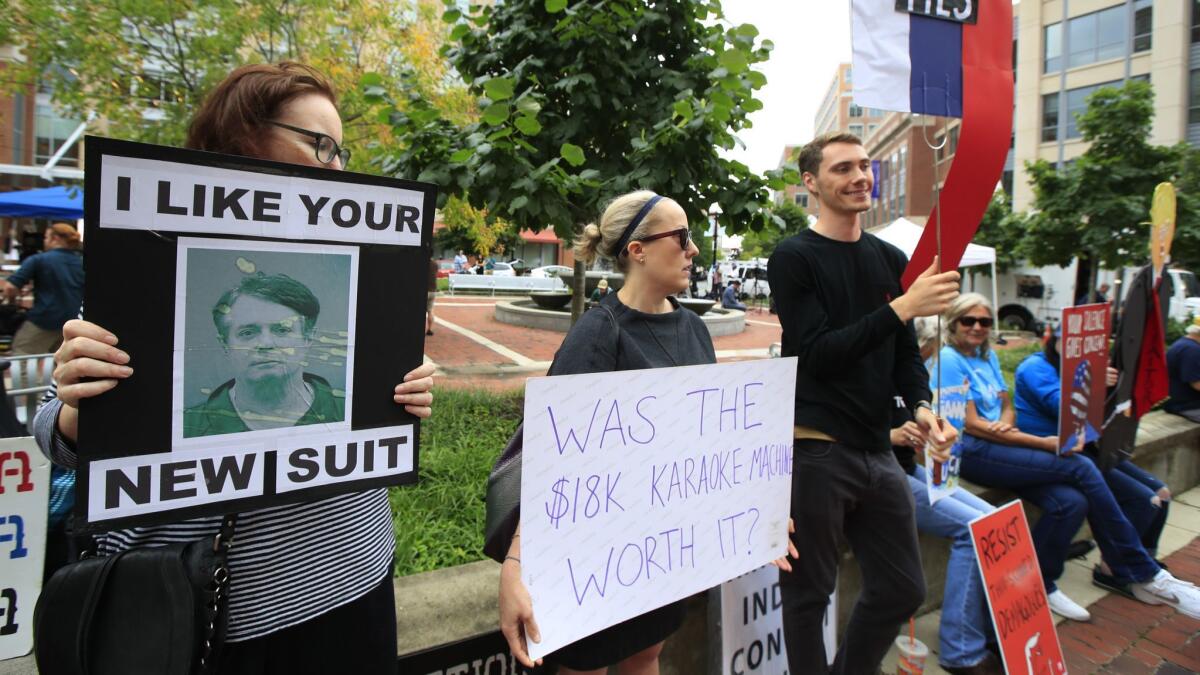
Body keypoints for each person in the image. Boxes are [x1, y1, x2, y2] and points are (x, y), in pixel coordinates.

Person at [34, 62, 435, 672]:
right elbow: (55, 433)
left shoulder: (370, 264)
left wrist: (405, 393)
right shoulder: (148, 254)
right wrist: (77, 410)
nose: (336, 167)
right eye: (319, 144)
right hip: (200, 609)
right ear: (241, 138)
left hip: (352, 582)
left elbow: (383, 406)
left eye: (340, 150)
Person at [498, 190, 723, 675]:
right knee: (588, 666)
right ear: (637, 250)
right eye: (682, 237)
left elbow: (713, 442)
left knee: (648, 653)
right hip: (596, 556)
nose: (694, 249)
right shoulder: (598, 334)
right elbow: (551, 454)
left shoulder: (695, 329)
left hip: (661, 549)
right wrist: (517, 564)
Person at [767, 131, 960, 674]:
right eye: (843, 168)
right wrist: (901, 307)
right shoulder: (794, 257)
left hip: (880, 451)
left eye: (865, 166)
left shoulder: (889, 257)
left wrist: (921, 407)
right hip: (817, 451)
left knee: (902, 588)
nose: (860, 177)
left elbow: (904, 355)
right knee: (807, 597)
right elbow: (815, 353)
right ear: (811, 183)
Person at [944, 293, 1200, 623]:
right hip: (973, 452)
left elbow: (1005, 407)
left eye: (985, 321)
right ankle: (1141, 571)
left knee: (1071, 502)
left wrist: (1007, 426)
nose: (977, 327)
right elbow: (973, 426)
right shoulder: (951, 359)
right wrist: (1043, 442)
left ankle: (1040, 583)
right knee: (1081, 466)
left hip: (1004, 443)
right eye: (969, 321)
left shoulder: (986, 356)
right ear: (953, 323)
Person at [1015, 327, 1172, 597]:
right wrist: (1096, 382)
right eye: (1069, 342)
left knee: (1162, 494)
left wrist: (1111, 385)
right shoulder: (1035, 367)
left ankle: (1144, 564)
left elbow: (1105, 413)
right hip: (1052, 447)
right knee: (1143, 501)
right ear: (1055, 341)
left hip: (1086, 445)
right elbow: (1061, 406)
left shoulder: (1085, 368)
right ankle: (1112, 570)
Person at [891, 317, 1000, 675]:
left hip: (908, 468)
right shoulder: (874, 368)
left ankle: (991, 627)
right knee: (973, 529)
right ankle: (960, 649)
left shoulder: (912, 378)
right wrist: (892, 435)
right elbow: (838, 430)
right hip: (883, 474)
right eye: (923, 353)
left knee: (995, 520)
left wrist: (932, 435)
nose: (925, 360)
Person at [183, 273, 342, 438]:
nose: (266, 344)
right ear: (225, 345)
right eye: (248, 333)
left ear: (308, 338)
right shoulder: (186, 428)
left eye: (282, 330)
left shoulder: (351, 410)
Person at [2, 222, 84, 355]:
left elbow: (10, 287)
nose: (44, 241)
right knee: (62, 362)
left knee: (22, 353)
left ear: (55, 239)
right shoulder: (81, 262)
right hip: (73, 320)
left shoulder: (39, 260)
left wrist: (12, 300)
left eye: (46, 237)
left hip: (44, 319)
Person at [1165, 323, 1200, 423]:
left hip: (1180, 402)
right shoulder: (1192, 350)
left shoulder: (1185, 344)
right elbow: (1197, 384)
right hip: (1187, 405)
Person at [427, 256, 437, 336]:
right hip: (433, 290)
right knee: (430, 311)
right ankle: (429, 329)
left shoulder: (423, 262)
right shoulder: (435, 264)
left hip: (425, 290)